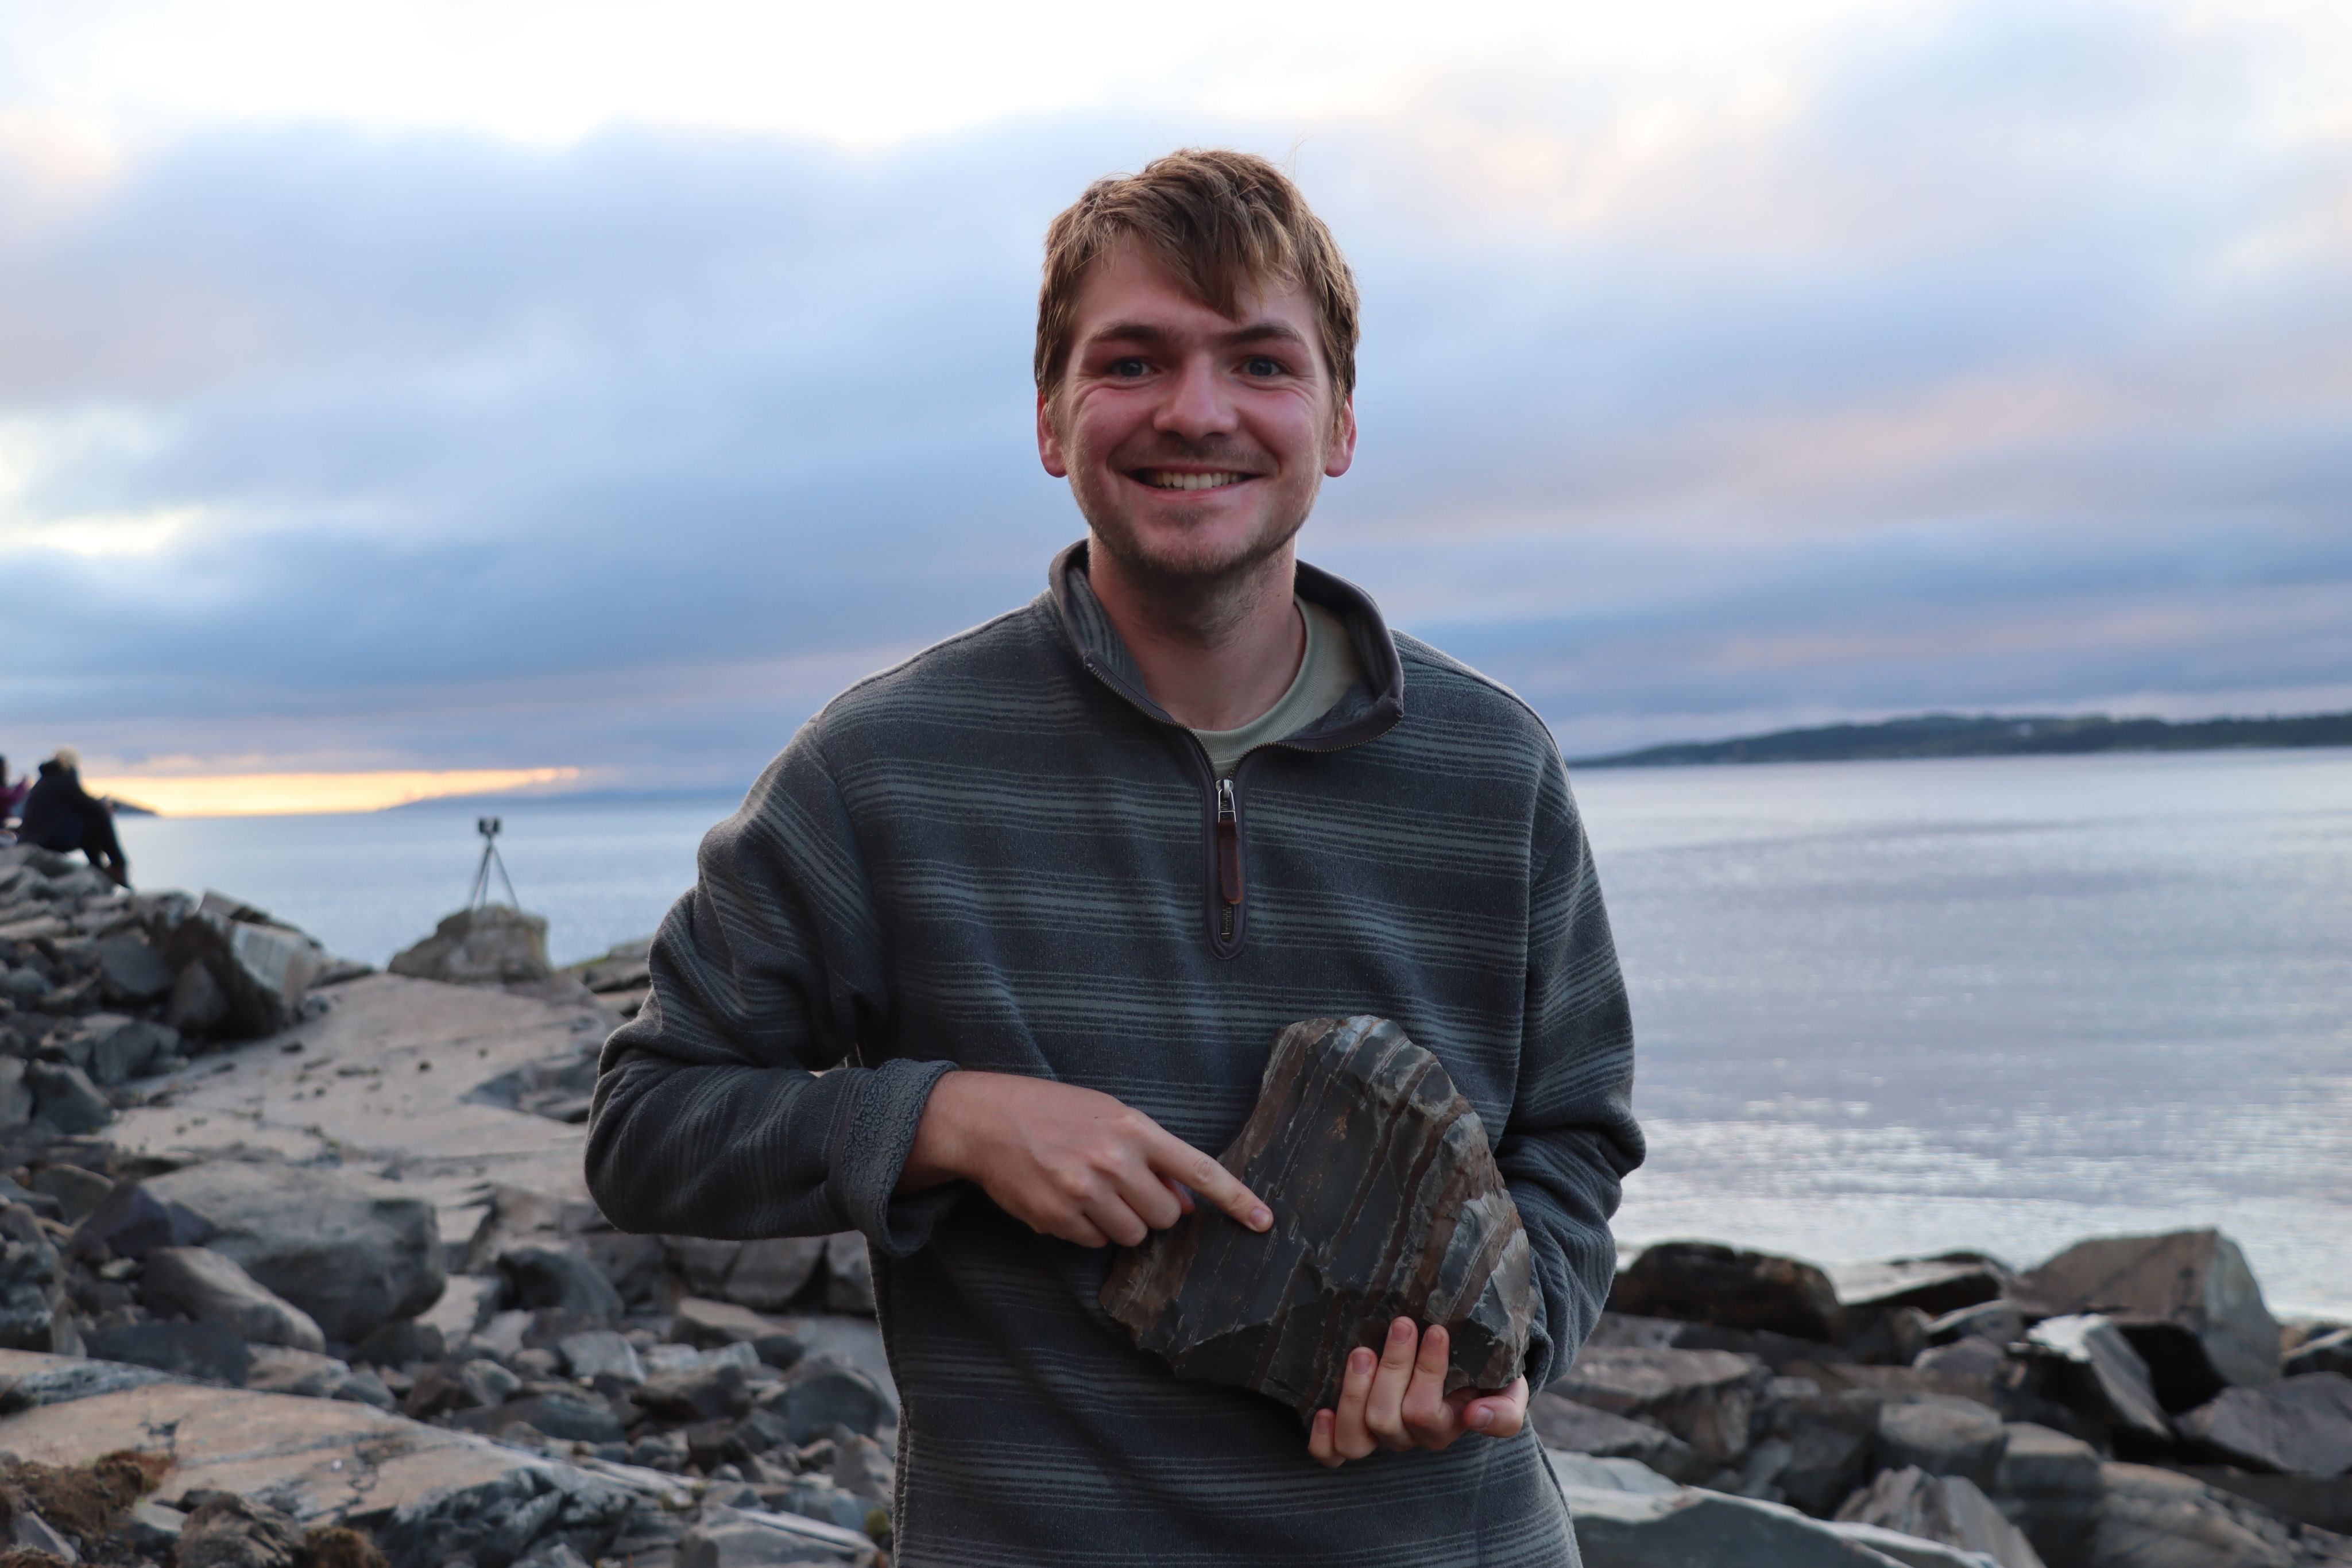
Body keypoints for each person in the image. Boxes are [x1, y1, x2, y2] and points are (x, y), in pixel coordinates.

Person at [588, 149, 1642, 1566]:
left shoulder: (1492, 769)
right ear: (1050, 417)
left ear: (1336, 425)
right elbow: (646, 1127)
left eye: (1260, 365)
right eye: (1132, 360)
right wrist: (947, 1122)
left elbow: (1574, 1143)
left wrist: (1509, 1349)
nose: (1195, 412)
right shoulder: (884, 769)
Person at [17, 748, 132, 887]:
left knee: (93, 820)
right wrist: (104, 807)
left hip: (35, 839)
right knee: (100, 819)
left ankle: (101, 869)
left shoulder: (46, 781)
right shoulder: (63, 780)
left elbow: (78, 806)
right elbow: (91, 807)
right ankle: (117, 865)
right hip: (46, 841)